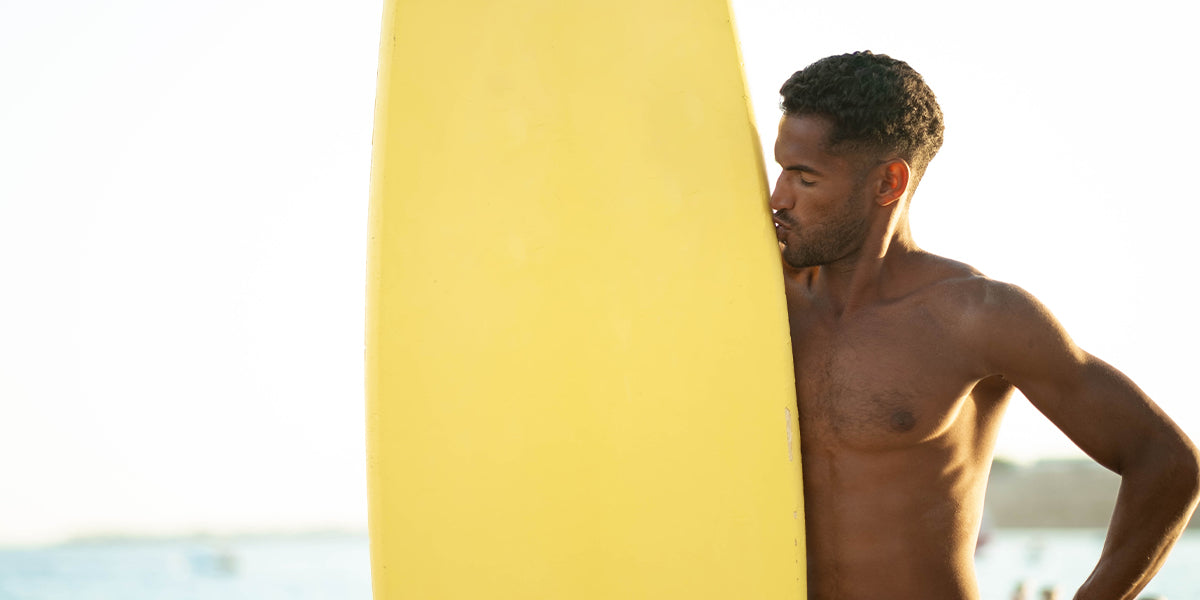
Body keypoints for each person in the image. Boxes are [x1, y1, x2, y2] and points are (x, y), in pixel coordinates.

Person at [771, 51, 1200, 600]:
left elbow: (1165, 461)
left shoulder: (977, 317)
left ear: (887, 184)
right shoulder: (762, 303)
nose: (778, 198)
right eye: (781, 170)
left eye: (804, 179)